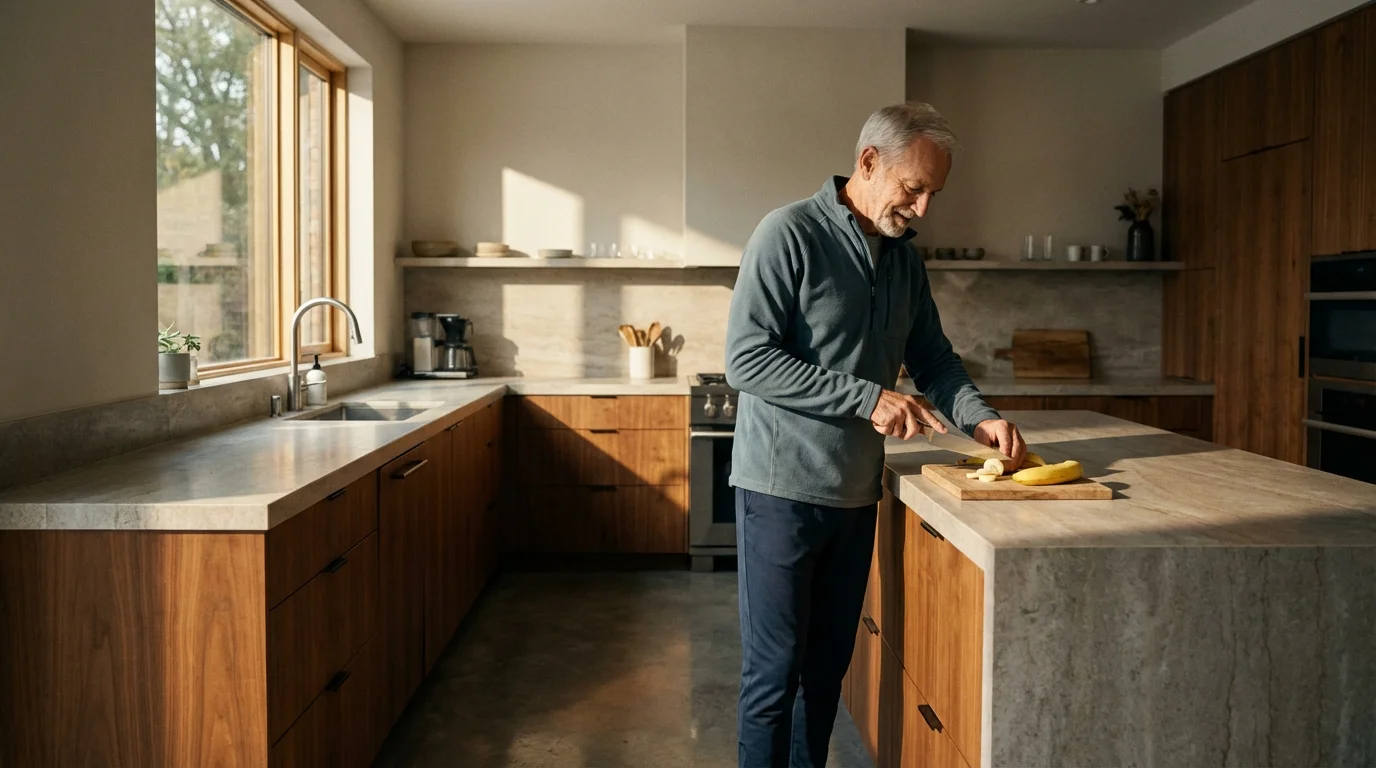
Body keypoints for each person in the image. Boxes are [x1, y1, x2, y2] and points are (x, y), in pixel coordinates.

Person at [724, 102, 1026, 768]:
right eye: (912, 188)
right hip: (781, 491)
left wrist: (981, 415)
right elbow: (746, 360)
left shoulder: (903, 263)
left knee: (825, 673)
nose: (921, 208)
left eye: (931, 194)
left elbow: (936, 361)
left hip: (856, 495)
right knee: (774, 677)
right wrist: (867, 398)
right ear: (868, 162)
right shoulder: (788, 234)